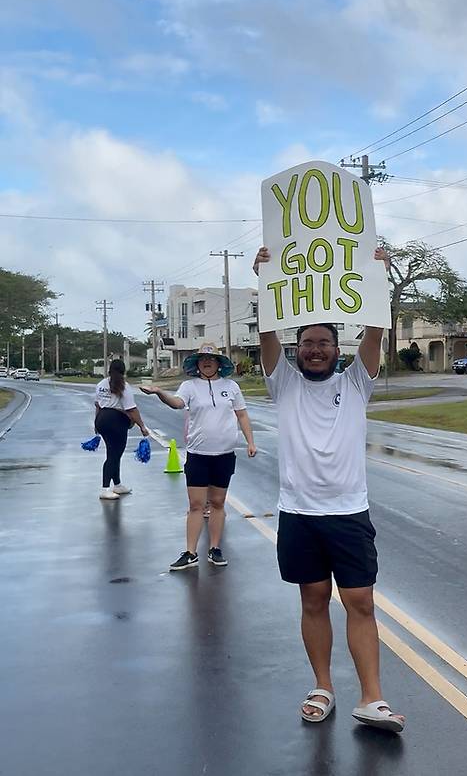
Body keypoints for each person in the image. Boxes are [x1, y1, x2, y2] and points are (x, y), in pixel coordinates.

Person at [253, 246, 405, 733]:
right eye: (307, 343)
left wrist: (378, 278)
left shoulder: (358, 382)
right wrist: (266, 279)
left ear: (338, 349)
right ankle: (323, 686)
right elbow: (267, 335)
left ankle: (373, 700)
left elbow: (375, 332)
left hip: (347, 513)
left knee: (360, 602)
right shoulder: (284, 383)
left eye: (324, 342)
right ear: (297, 349)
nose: (315, 349)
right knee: (313, 600)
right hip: (298, 514)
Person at [140, 343, 257, 571]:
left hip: (224, 455)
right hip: (198, 455)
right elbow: (177, 404)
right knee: (195, 505)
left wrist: (250, 442)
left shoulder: (231, 387)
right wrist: (160, 392)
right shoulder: (189, 386)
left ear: (218, 364)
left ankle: (214, 548)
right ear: (197, 364)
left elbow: (241, 415)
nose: (207, 362)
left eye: (211, 359)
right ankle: (191, 552)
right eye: (203, 359)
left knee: (217, 503)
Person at [95, 359, 149, 501]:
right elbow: (131, 409)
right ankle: (105, 488)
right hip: (116, 421)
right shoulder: (124, 386)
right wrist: (142, 426)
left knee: (113, 453)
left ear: (109, 370)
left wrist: (96, 424)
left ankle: (117, 484)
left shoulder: (101, 384)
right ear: (124, 371)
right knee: (114, 455)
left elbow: (98, 405)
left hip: (101, 419)